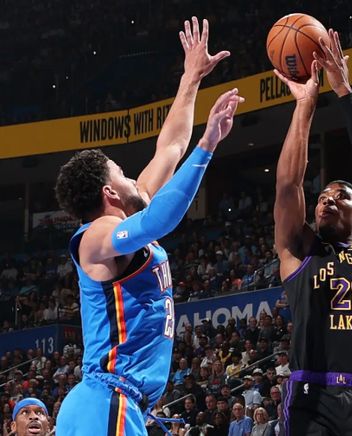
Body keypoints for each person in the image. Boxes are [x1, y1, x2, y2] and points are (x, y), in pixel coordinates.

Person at [54, 17, 243, 436]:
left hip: (121, 403)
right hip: (106, 399)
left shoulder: (129, 213)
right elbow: (161, 220)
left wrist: (191, 77)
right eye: (122, 173)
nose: (133, 178)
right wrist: (208, 144)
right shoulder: (94, 237)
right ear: (109, 192)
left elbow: (171, 146)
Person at [273, 29, 352, 436]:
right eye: (323, 196)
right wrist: (305, 104)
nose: (327, 200)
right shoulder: (301, 248)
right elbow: (288, 185)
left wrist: (344, 92)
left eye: (340, 196)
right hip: (311, 394)